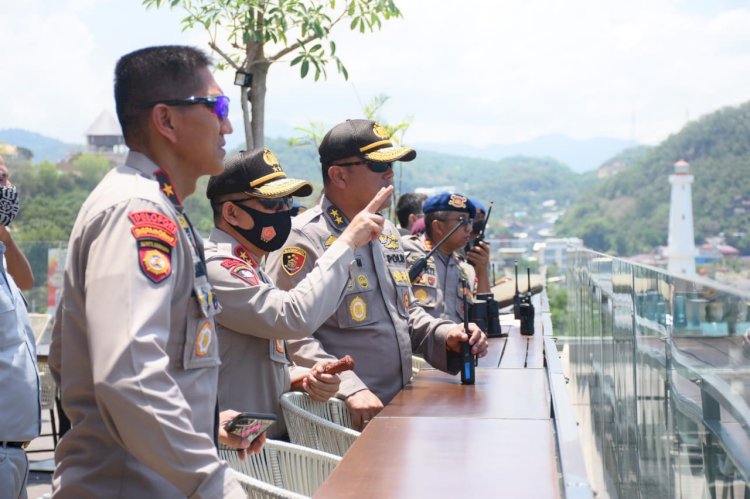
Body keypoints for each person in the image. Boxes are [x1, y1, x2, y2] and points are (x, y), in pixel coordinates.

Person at [48, 45, 257, 498]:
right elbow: (130, 374)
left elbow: (74, 355)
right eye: (217, 106)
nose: (228, 123)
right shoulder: (137, 211)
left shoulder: (157, 207)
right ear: (166, 120)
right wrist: (212, 481)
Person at [267, 119, 488, 429]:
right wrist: (350, 386)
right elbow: (287, 334)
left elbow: (406, 314)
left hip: (398, 407)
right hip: (341, 417)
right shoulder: (303, 238)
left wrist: (446, 335)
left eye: (391, 165)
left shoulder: (387, 235)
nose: (389, 173)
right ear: (338, 175)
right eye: (377, 165)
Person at [204, 147, 391, 438]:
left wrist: (299, 379)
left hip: (258, 443)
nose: (285, 212)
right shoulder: (217, 266)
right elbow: (291, 317)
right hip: (233, 449)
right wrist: (347, 242)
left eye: (287, 201)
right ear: (232, 213)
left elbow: (249, 364)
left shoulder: (252, 267)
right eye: (274, 203)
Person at [0, 185, 39, 499]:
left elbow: (26, 280)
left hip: (13, 454)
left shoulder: (3, 263)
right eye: (0, 179)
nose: (8, 189)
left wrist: (5, 236)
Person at [401, 192, 491, 323]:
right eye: (462, 221)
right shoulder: (405, 250)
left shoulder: (466, 270)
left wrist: (482, 271)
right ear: (438, 226)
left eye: (470, 221)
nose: (469, 228)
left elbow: (483, 318)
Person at [0, 155, 34, 290]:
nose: (8, 187)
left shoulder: (3, 240)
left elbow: (24, 283)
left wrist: (6, 240)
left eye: (5, 178)